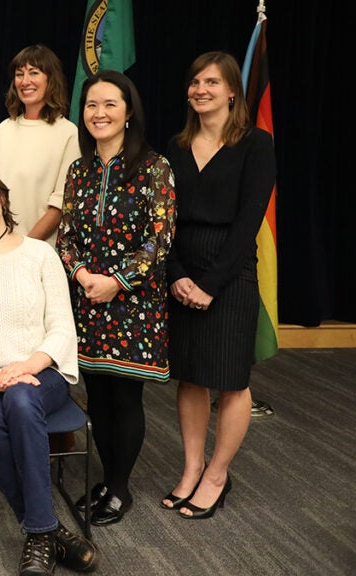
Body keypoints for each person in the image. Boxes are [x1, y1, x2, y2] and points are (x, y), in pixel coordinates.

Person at [0, 163, 98, 576]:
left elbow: (63, 327)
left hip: (41, 367)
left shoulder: (41, 254)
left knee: (23, 401)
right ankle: (49, 531)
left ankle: (38, 532)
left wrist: (27, 365)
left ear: (2, 197)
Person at [56, 71, 176, 526]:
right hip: (86, 299)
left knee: (125, 399)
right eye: (91, 105)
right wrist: (84, 274)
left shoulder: (154, 166)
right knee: (97, 395)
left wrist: (116, 281)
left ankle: (120, 488)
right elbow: (66, 235)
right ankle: (106, 479)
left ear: (128, 112)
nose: (99, 113)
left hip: (134, 305)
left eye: (109, 104)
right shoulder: (78, 170)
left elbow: (160, 239)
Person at [162, 51, 275, 519]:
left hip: (230, 274)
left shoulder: (256, 144)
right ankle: (192, 468)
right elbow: (162, 223)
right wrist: (178, 276)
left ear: (232, 91)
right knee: (189, 375)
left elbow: (249, 221)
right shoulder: (174, 146)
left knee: (230, 380)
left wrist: (209, 283)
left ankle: (217, 475)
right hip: (182, 266)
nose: (200, 89)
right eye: (194, 81)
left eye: (211, 82)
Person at [0, 44, 78, 246]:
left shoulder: (68, 133)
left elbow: (59, 207)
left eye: (34, 73)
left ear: (50, 80)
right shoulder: (2, 131)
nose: (25, 81)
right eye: (19, 74)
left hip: (37, 253)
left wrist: (22, 249)